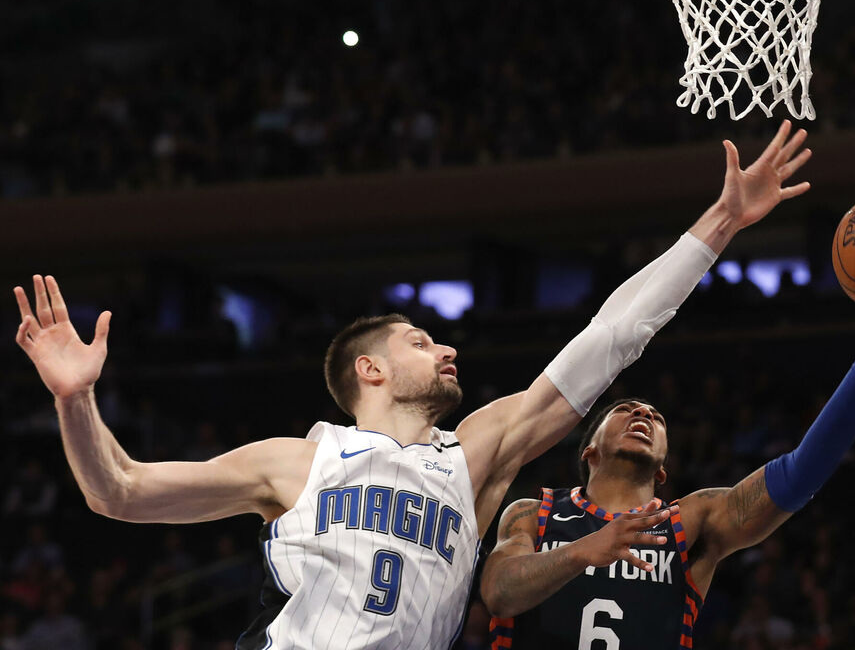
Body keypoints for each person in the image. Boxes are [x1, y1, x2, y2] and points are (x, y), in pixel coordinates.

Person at [11, 121, 812, 650]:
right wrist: (75, 399)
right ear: (371, 369)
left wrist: (720, 226)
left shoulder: (472, 456)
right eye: (421, 341)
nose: (447, 346)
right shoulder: (295, 462)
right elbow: (118, 491)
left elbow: (610, 340)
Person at [482, 252, 855, 649]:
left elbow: (802, 472)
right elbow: (499, 593)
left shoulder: (693, 523)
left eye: (656, 417)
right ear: (589, 451)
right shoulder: (534, 514)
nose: (643, 413)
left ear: (663, 470)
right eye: (625, 409)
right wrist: (585, 550)